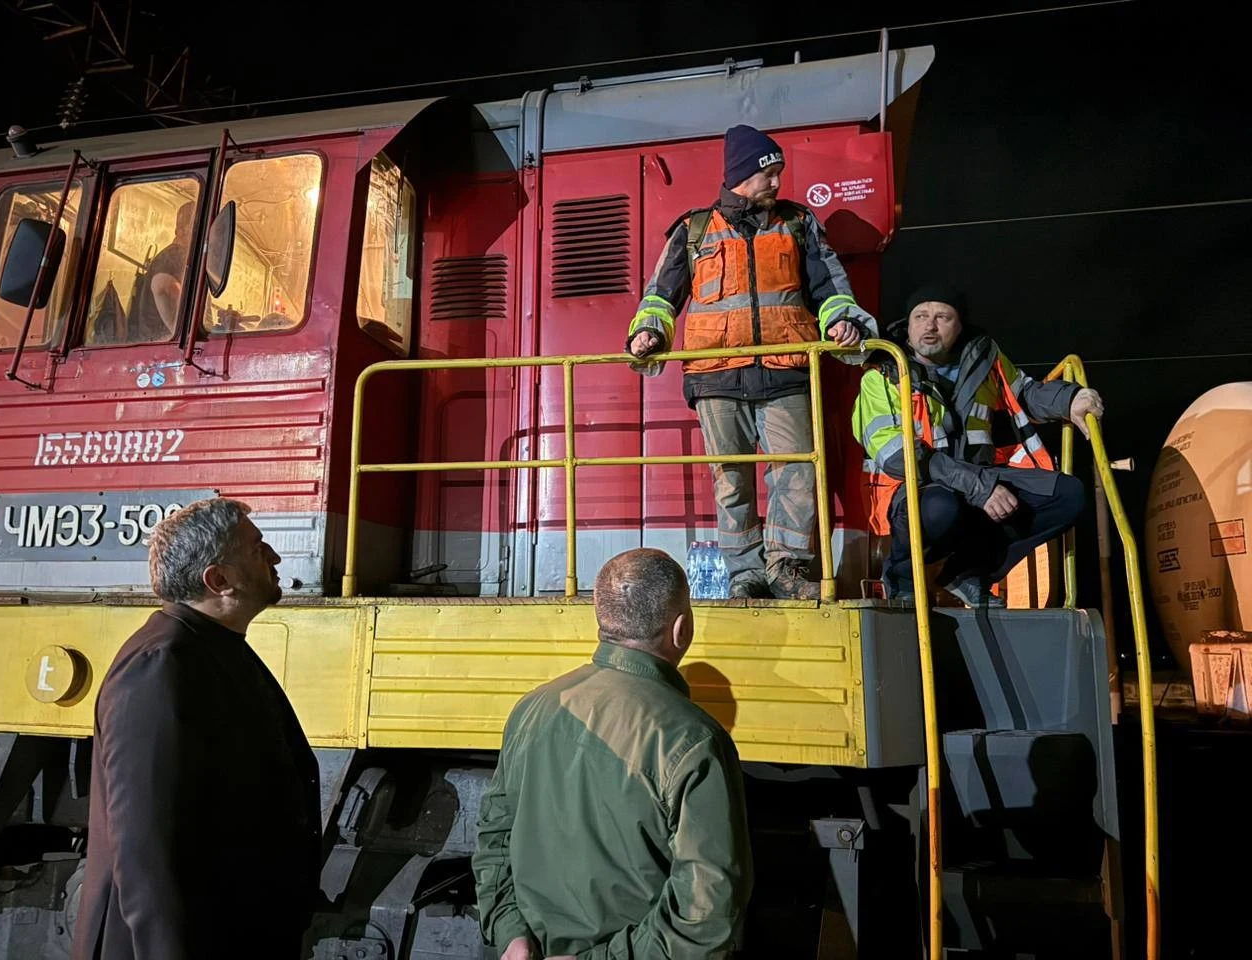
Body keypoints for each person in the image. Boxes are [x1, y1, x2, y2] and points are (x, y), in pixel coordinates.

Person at [625, 124, 877, 600]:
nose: (778, 183)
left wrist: (843, 321)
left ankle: (788, 570)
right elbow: (660, 295)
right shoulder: (694, 229)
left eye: (779, 172)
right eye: (770, 173)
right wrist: (647, 331)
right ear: (743, 174)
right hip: (716, 377)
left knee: (798, 475)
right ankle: (745, 575)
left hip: (785, 372)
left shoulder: (799, 224)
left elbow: (831, 287)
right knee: (731, 483)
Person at [473, 548, 753, 960]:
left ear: (602, 620)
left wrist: (511, 933)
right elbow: (706, 915)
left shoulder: (532, 708)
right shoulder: (695, 740)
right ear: (682, 629)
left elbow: (494, 836)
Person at [72, 498, 321, 960]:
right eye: (257, 547)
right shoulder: (161, 665)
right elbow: (148, 850)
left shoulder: (210, 648)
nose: (275, 557)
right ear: (219, 579)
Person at [852, 285, 1104, 606]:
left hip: (979, 480)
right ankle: (902, 577)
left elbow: (1024, 393)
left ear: (959, 326)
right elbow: (897, 456)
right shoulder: (882, 375)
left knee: (1067, 495)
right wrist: (979, 487)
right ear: (909, 323)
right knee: (941, 506)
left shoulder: (983, 359)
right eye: (921, 316)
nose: (929, 326)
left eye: (942, 317)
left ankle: (967, 571)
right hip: (917, 489)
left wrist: (1070, 399)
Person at [127, 198, 195, 341]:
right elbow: (162, 285)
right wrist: (183, 333)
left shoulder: (169, 256)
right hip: (162, 345)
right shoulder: (176, 255)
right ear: (182, 230)